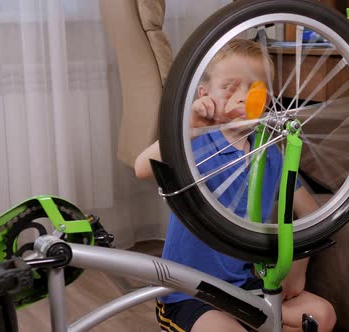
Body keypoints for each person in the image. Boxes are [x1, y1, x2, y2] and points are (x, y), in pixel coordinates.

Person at [135, 38, 336, 332]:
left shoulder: (270, 154)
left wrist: (297, 267)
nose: (243, 97)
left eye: (254, 88)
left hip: (244, 288)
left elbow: (310, 214)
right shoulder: (197, 144)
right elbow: (142, 168)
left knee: (322, 315)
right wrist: (189, 127)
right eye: (230, 87)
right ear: (205, 95)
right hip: (190, 293)